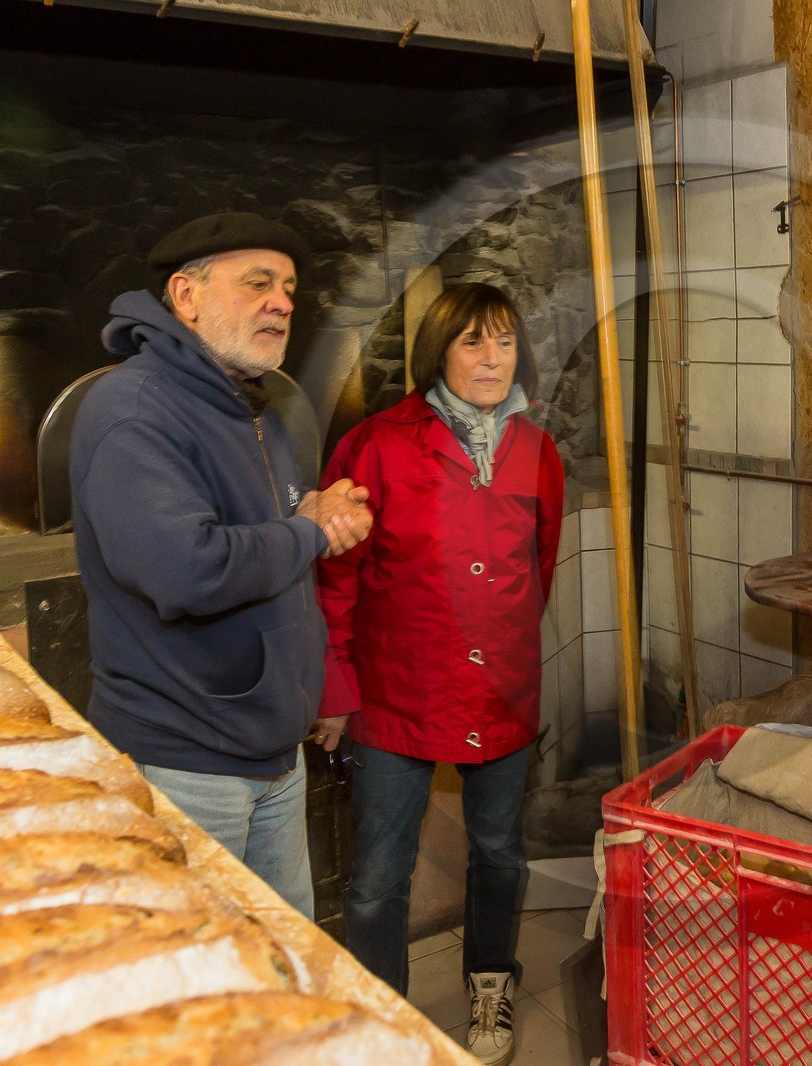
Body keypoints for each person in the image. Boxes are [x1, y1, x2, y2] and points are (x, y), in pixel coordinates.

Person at [70, 212, 373, 918]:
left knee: (280, 963)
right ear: (186, 295)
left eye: (290, 288)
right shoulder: (132, 408)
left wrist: (318, 680)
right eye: (258, 283)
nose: (283, 302)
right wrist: (309, 530)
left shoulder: (256, 410)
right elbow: (187, 569)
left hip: (272, 754)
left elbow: (272, 535)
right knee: (203, 986)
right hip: (184, 762)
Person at [315, 282, 564, 1065]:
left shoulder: (535, 449)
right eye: (472, 342)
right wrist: (335, 690)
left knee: (499, 851)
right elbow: (337, 578)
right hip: (398, 691)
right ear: (438, 353)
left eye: (504, 342)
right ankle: (382, 1016)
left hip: (501, 691)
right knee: (379, 874)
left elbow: (540, 564)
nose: (492, 359)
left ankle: (492, 979)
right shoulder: (378, 444)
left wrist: (500, 640)